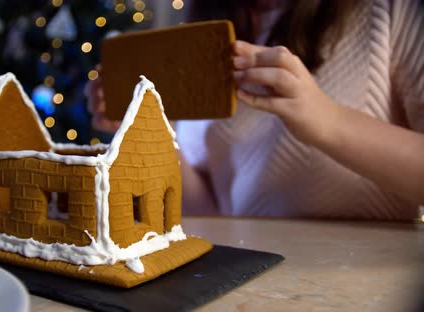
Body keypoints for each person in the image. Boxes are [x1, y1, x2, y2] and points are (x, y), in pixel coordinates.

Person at [86, 0, 424, 219]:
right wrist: (145, 131)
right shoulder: (201, 37)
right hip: (253, 282)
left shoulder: (394, 11)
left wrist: (327, 120)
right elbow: (216, 214)